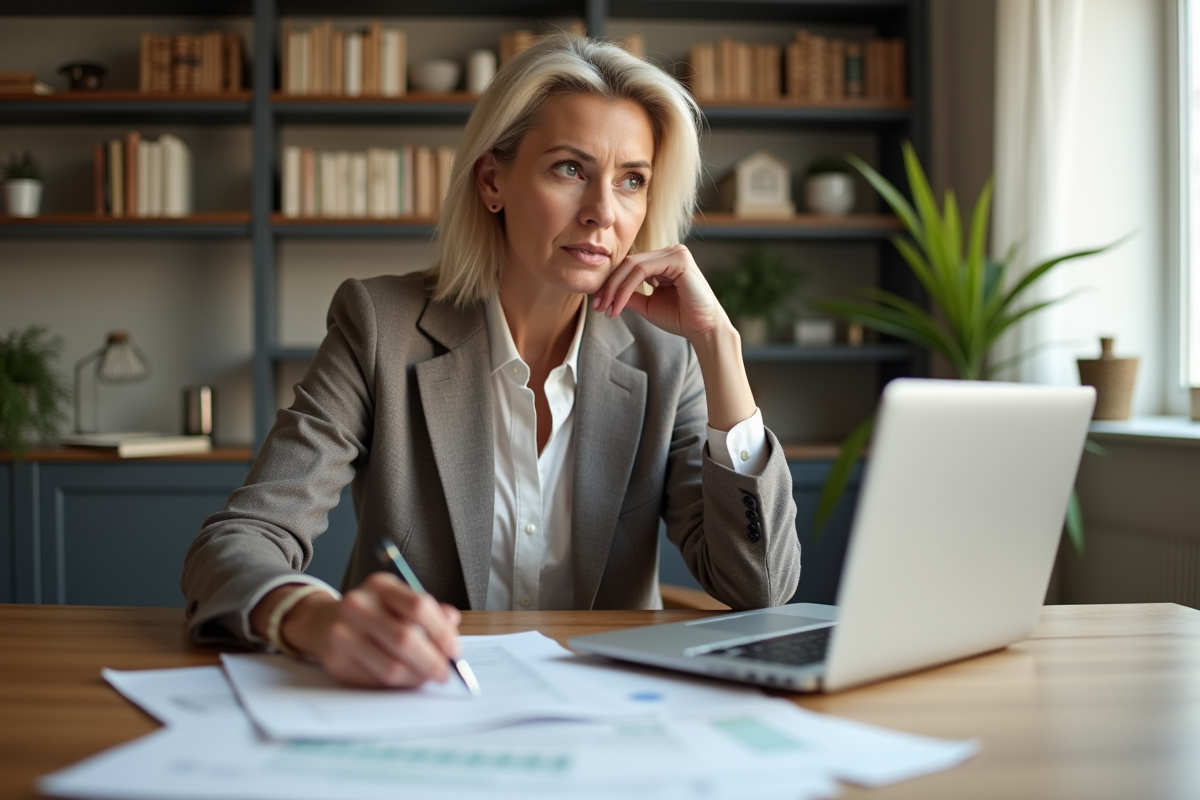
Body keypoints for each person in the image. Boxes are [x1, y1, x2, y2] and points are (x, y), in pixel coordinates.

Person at [182, 33, 801, 690]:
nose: (602, 213)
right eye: (569, 168)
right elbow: (240, 540)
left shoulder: (666, 357)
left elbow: (759, 588)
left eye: (632, 181)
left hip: (606, 709)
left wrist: (720, 347)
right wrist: (310, 618)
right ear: (493, 180)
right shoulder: (380, 325)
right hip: (421, 697)